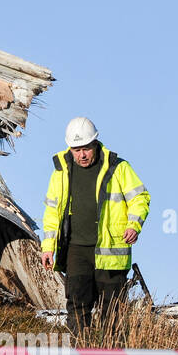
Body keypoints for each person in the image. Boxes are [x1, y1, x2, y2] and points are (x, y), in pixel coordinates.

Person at [40, 117, 149, 333]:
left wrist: (133, 225)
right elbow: (52, 211)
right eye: (76, 149)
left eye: (86, 149)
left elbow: (140, 198)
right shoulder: (60, 171)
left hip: (111, 250)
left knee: (113, 310)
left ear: (95, 144)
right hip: (75, 250)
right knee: (77, 305)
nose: (81, 155)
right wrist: (48, 247)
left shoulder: (118, 167)